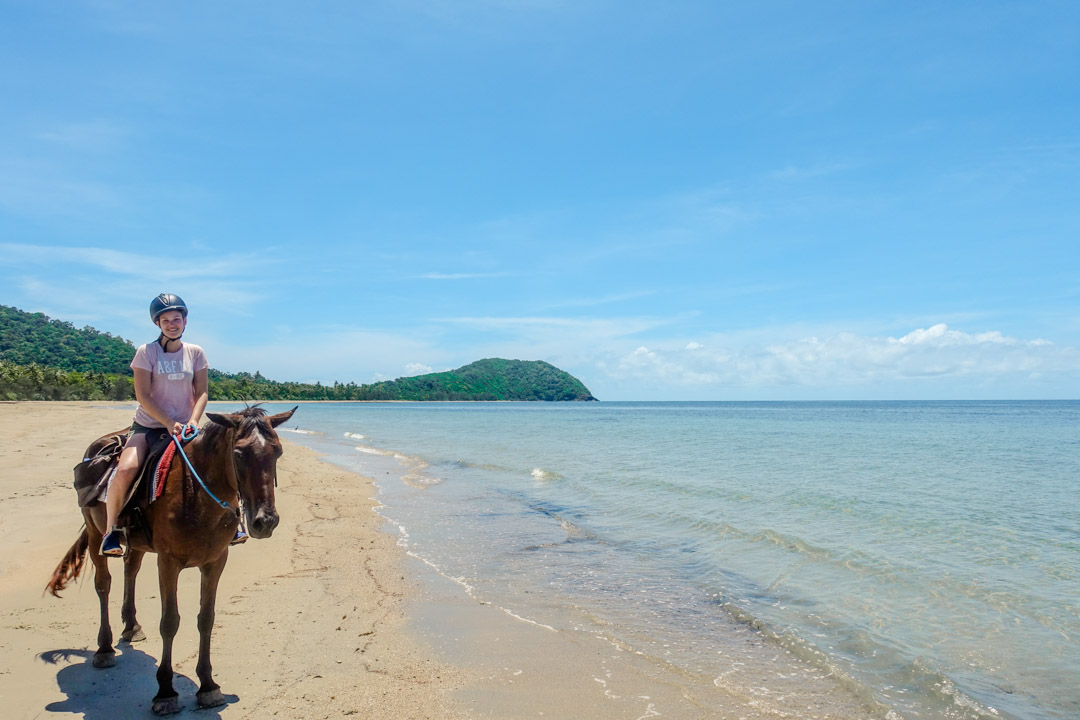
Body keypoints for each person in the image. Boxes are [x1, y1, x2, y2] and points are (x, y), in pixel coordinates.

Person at [100, 293, 218, 556]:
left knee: (224, 463)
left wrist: (193, 421)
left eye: (177, 319)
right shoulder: (146, 352)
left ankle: (234, 521)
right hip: (148, 426)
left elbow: (202, 393)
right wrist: (167, 421)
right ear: (158, 324)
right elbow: (143, 395)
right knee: (126, 469)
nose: (172, 324)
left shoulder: (196, 353)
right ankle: (111, 532)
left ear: (185, 321)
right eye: (166, 320)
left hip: (187, 427)